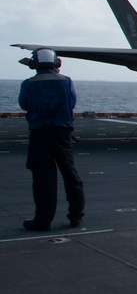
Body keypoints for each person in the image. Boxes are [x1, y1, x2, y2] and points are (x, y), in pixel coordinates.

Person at [18, 49, 86, 231]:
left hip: (39, 133)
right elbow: (71, 102)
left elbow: (24, 104)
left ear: (34, 64)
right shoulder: (66, 81)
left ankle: (43, 220)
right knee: (70, 174)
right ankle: (76, 216)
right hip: (61, 133)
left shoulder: (28, 83)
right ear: (57, 63)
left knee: (43, 177)